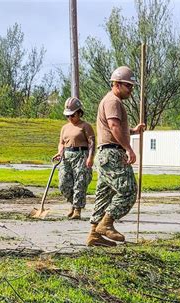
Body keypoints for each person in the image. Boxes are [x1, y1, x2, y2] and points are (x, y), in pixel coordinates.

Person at [87, 66, 145, 247]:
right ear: (117, 84)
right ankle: (106, 223)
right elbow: (113, 127)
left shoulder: (111, 100)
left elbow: (114, 128)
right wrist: (128, 148)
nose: (131, 90)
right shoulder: (113, 101)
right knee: (128, 191)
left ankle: (94, 235)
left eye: (133, 86)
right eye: (128, 86)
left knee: (104, 194)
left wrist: (133, 131)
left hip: (106, 153)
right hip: (112, 153)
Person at [53, 97, 95, 220]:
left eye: (72, 115)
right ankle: (73, 203)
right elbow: (61, 142)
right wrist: (60, 151)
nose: (70, 118)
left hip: (81, 156)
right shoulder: (65, 128)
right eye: (68, 116)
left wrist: (90, 157)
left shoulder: (85, 126)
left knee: (80, 183)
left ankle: (77, 209)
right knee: (64, 184)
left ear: (79, 113)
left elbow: (91, 142)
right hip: (67, 156)